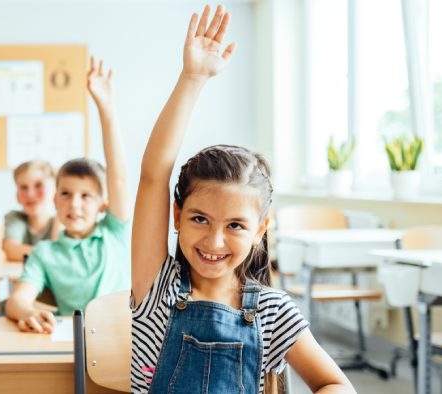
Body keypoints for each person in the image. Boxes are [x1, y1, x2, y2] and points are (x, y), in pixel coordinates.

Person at [129, 5, 355, 393]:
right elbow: (153, 176)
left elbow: (335, 384)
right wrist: (193, 78)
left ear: (260, 229)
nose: (214, 242)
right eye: (199, 219)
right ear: (176, 215)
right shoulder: (157, 287)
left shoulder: (273, 310)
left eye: (235, 225)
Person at [5, 56, 131, 332]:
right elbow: (16, 301)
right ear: (54, 200)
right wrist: (27, 311)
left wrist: (106, 108)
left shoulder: (114, 232)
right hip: (76, 346)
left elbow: (119, 179)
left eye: (86, 196)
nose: (74, 203)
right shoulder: (45, 252)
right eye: (66, 193)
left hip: (124, 344)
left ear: (103, 205)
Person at [1, 160, 59, 262]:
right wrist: (50, 254)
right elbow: (11, 250)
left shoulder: (61, 219)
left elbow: (59, 253)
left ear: (55, 189)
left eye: (38, 185)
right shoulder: (15, 218)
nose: (30, 194)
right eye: (23, 187)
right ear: (17, 195)